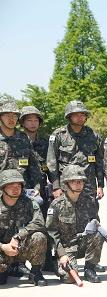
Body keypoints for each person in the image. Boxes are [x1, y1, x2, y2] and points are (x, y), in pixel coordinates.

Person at [46, 165, 104, 283]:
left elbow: (95, 222)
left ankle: (90, 268)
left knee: (98, 234)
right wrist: (61, 254)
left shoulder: (89, 201)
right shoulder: (56, 205)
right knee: (69, 278)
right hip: (66, 248)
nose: (78, 184)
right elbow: (52, 232)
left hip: (83, 243)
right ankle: (55, 263)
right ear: (66, 184)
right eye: (74, 182)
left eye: (81, 181)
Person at [19, 105, 56, 272]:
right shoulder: (17, 141)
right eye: (29, 120)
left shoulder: (45, 142)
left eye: (36, 120)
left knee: (45, 225)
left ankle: (47, 259)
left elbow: (51, 166)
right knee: (21, 225)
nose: (33, 123)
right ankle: (18, 263)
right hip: (18, 192)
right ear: (22, 122)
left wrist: (55, 186)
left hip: (40, 191)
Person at [47, 100, 103, 206]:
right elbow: (51, 162)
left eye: (82, 114)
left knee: (91, 219)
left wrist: (100, 185)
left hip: (88, 187)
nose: (80, 117)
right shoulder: (59, 135)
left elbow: (99, 162)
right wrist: (56, 186)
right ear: (69, 116)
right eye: (76, 115)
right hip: (66, 187)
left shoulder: (93, 136)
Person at [0, 170, 48, 286]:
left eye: (18, 186)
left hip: (21, 247)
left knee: (39, 236)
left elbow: (39, 222)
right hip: (2, 250)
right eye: (11, 186)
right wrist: (3, 247)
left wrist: (18, 237)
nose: (16, 189)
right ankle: (5, 269)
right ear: (3, 188)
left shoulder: (29, 203)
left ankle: (35, 272)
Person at [0, 101, 43, 194]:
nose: (11, 119)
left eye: (15, 116)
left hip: (23, 191)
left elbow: (34, 166)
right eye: (7, 115)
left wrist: (36, 188)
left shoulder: (24, 138)